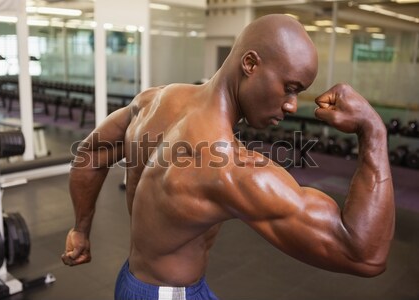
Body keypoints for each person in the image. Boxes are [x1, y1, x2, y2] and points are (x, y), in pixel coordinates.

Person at [61, 14, 394, 300]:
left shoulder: (155, 100)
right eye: (289, 88)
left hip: (133, 281)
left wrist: (80, 229)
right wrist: (374, 132)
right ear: (249, 64)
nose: (292, 105)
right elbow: (363, 254)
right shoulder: (229, 169)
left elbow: (92, 151)